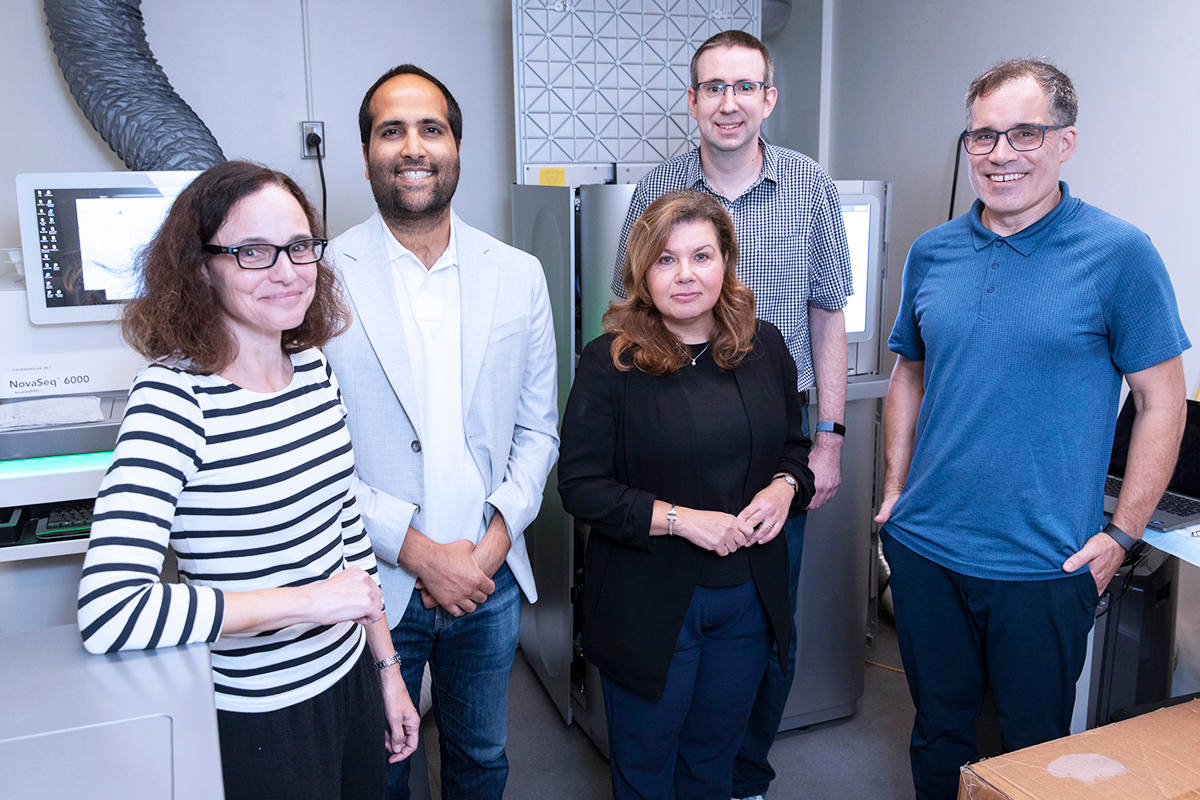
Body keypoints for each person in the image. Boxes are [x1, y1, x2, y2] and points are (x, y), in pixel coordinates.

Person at [874, 58, 1190, 800]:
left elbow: (1163, 401)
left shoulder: (1120, 254)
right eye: (982, 135)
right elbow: (908, 373)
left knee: (1033, 751)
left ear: (1065, 142)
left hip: (1045, 566)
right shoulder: (932, 251)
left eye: (1024, 133)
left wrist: (1122, 536)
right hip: (927, 550)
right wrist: (893, 493)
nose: (1000, 154)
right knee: (939, 732)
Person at [76, 160, 420, 800]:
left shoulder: (312, 369)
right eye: (253, 252)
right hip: (260, 716)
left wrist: (387, 669)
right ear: (200, 267)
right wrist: (309, 602)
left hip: (350, 682)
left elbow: (345, 531)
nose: (286, 271)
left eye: (298, 246)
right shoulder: (173, 400)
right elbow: (111, 610)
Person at [610, 30, 853, 800]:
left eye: (745, 86)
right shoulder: (657, 189)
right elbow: (628, 310)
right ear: (692, 100)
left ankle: (741, 776)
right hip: (671, 430)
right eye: (714, 87)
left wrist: (827, 442)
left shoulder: (810, 186)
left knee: (769, 625)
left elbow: (828, 316)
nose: (729, 102)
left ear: (768, 98)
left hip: (776, 443)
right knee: (672, 623)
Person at [322, 64, 559, 800]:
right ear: (367, 154)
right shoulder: (319, 279)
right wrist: (421, 554)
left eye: (431, 129)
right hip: (372, 582)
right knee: (380, 768)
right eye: (391, 131)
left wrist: (490, 547)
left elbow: (538, 430)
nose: (413, 147)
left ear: (457, 147)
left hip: (489, 581)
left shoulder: (519, 275)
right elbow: (313, 456)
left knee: (482, 760)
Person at [560, 189, 814, 800]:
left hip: (747, 598)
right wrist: (682, 520)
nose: (685, 275)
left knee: (712, 762)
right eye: (665, 259)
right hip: (650, 603)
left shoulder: (765, 347)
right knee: (645, 768)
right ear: (642, 272)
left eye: (701, 256)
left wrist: (784, 489)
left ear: (726, 261)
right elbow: (580, 487)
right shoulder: (609, 364)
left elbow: (794, 448)